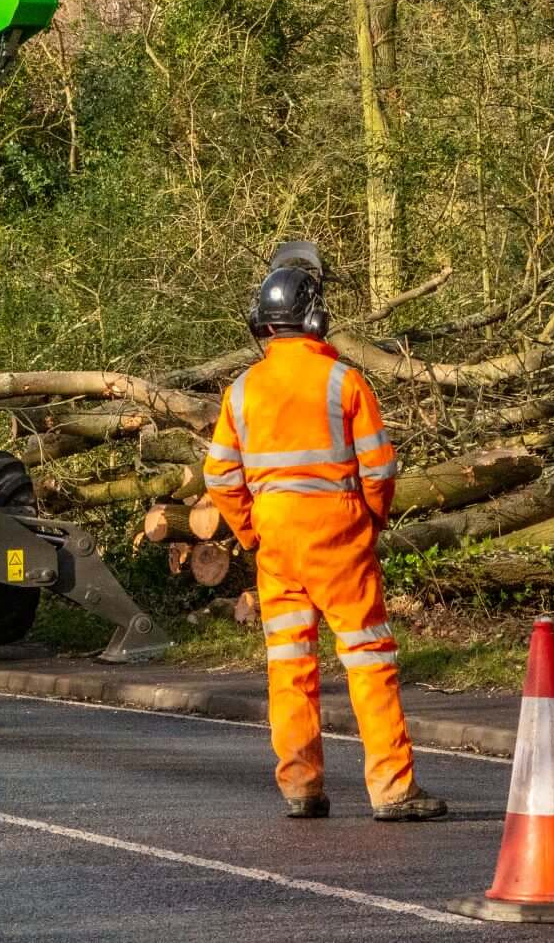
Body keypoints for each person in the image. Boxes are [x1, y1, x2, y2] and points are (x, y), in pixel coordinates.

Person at [201, 241, 447, 822]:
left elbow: (218, 473)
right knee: (368, 656)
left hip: (275, 537)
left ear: (263, 322)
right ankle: (391, 789)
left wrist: (247, 530)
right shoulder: (344, 383)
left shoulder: (239, 390)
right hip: (337, 531)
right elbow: (380, 468)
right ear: (315, 317)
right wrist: (370, 520)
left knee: (289, 662)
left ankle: (301, 787)